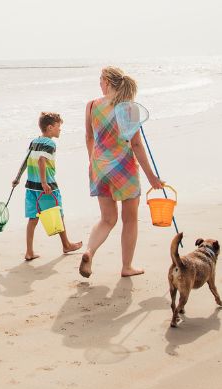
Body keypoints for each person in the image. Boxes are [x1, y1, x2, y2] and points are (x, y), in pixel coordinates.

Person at [78, 66, 164, 279]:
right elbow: (135, 144)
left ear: (107, 81)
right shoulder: (130, 109)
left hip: (99, 166)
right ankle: (126, 266)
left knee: (107, 219)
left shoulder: (91, 106)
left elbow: (89, 138)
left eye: (100, 79)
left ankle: (89, 251)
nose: (99, 83)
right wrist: (152, 177)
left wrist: (94, 161)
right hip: (124, 168)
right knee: (130, 219)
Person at [12, 112, 84, 261]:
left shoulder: (34, 141)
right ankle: (66, 245)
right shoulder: (50, 143)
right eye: (58, 126)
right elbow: (42, 161)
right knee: (59, 213)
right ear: (50, 127)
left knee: (33, 219)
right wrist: (44, 182)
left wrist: (17, 178)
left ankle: (29, 252)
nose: (60, 129)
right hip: (47, 187)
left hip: (31, 187)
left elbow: (26, 160)